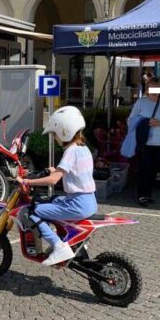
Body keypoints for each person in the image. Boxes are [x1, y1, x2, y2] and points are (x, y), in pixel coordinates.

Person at [15, 106, 97, 266]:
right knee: (51, 200)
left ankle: (59, 246)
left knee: (31, 211)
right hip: (88, 201)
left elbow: (53, 180)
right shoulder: (84, 148)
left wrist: (26, 181)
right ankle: (65, 239)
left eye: (55, 134)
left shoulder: (71, 151)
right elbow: (74, 173)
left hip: (77, 204)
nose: (55, 139)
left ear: (64, 131)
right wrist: (56, 170)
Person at [127, 78, 160, 207]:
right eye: (152, 88)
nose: (155, 92)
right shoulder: (141, 102)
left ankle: (148, 194)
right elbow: (130, 120)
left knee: (153, 170)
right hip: (144, 142)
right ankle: (141, 195)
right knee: (144, 170)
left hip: (159, 142)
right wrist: (144, 122)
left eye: (157, 88)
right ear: (147, 89)